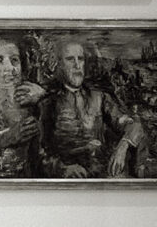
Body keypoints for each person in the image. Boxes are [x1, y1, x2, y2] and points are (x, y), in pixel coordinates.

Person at [38, 41, 149, 179]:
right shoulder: (47, 104)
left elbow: (134, 125)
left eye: (81, 59)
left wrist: (123, 145)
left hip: (103, 175)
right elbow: (40, 153)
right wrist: (63, 169)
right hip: (70, 179)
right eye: (70, 59)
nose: (77, 65)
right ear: (59, 65)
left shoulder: (100, 97)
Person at [0, 39, 41, 178]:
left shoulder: (29, 94)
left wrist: (42, 97)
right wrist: (9, 137)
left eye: (15, 60)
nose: (10, 68)